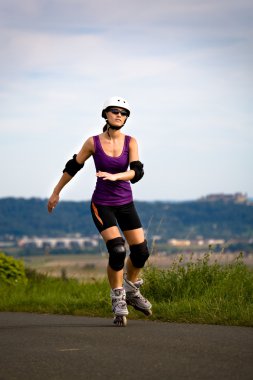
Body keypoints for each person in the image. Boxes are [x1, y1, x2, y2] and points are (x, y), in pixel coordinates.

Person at [47, 96, 152, 326]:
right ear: (105, 114)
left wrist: (116, 176)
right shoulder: (93, 142)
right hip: (102, 203)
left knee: (141, 252)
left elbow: (137, 172)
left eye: (124, 113)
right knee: (117, 249)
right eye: (114, 111)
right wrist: (56, 192)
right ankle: (118, 299)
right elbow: (73, 166)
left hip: (125, 202)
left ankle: (132, 290)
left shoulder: (130, 142)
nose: (119, 115)